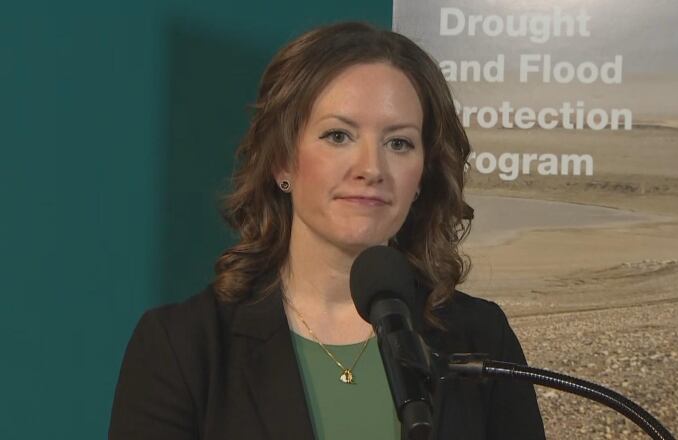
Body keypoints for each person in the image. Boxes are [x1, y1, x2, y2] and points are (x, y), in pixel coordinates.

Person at [108, 21, 545, 440]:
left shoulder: (481, 336)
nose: (371, 168)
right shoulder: (184, 346)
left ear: (422, 176)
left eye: (399, 143)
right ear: (281, 161)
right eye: (338, 136)